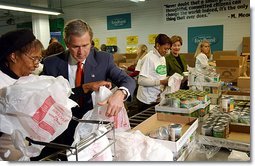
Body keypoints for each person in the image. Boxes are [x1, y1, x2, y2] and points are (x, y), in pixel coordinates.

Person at [32, 19, 136, 160]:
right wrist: (83, 89)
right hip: (61, 130)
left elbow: (128, 80)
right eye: (75, 46)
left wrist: (120, 93)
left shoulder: (103, 59)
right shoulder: (51, 63)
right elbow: (44, 98)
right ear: (67, 43)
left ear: (91, 41)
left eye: (85, 45)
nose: (81, 52)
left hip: (92, 129)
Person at [0, 29, 44, 160]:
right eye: (33, 58)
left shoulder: (26, 77)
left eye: (39, 58)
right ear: (13, 56)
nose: (37, 64)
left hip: (22, 153)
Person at [136, 34, 171, 111]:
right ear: (158, 45)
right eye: (165, 49)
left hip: (157, 98)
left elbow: (159, 75)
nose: (167, 51)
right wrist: (161, 82)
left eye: (168, 49)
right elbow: (141, 81)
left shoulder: (162, 58)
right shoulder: (148, 58)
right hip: (146, 100)